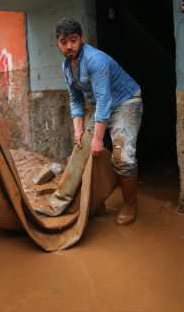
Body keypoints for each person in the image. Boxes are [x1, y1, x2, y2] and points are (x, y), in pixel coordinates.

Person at [55, 17, 143, 227]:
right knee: (82, 150)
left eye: (73, 40)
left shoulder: (95, 60)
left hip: (126, 101)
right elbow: (76, 99)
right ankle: (93, 200)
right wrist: (78, 131)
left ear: (82, 39)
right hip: (103, 107)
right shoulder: (67, 67)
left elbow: (104, 99)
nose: (69, 46)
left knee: (123, 158)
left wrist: (97, 139)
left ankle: (131, 203)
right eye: (63, 41)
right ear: (58, 43)